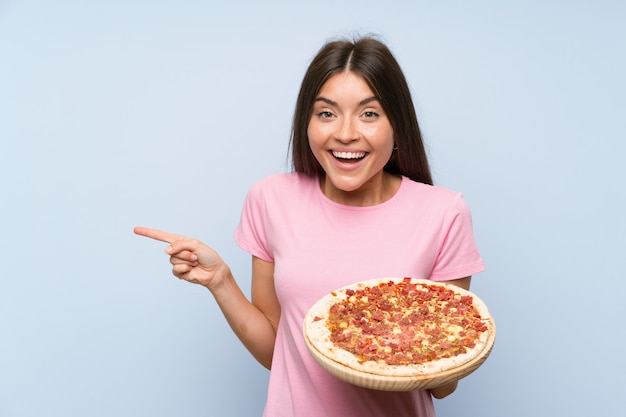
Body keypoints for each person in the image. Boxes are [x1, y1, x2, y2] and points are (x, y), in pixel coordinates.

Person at [135, 35, 484, 417]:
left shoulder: (443, 212)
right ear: (307, 121)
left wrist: (400, 337)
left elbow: (445, 384)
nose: (346, 133)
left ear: (397, 124)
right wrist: (221, 281)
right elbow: (277, 353)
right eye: (326, 113)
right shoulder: (271, 199)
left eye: (369, 113)